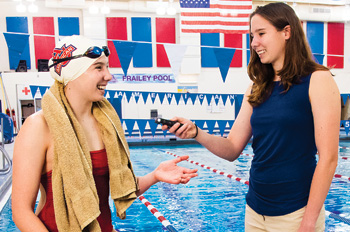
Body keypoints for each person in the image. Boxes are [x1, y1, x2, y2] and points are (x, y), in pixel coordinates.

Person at [164, 2, 340, 232]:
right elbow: (231, 148)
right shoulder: (257, 87)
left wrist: (308, 222)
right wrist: (196, 132)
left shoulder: (317, 80)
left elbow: (328, 158)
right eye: (252, 35)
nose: (254, 42)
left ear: (286, 32)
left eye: (261, 33)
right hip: (255, 212)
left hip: (295, 214)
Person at [11, 35, 198, 232]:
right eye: (98, 67)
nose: (108, 76)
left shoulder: (106, 124)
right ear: (74, 73)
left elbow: (121, 187)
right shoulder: (38, 126)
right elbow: (21, 212)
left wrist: (155, 175)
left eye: (107, 67)